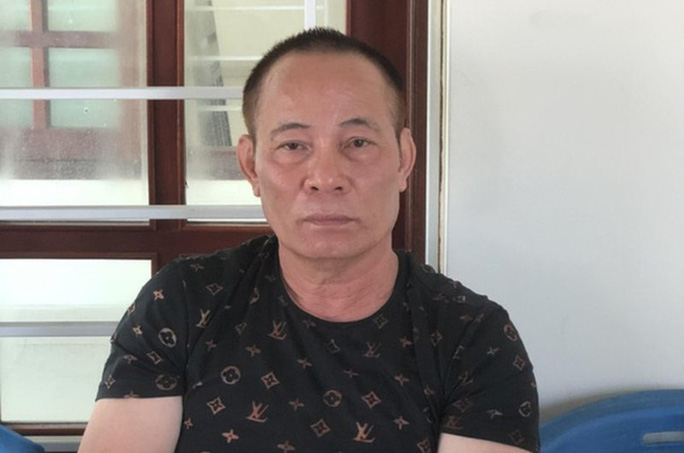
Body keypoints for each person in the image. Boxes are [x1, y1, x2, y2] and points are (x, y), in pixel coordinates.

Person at [79, 28, 539, 453]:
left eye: (357, 142)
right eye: (293, 145)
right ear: (250, 165)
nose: (325, 177)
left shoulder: (472, 338)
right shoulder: (183, 301)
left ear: (404, 160)